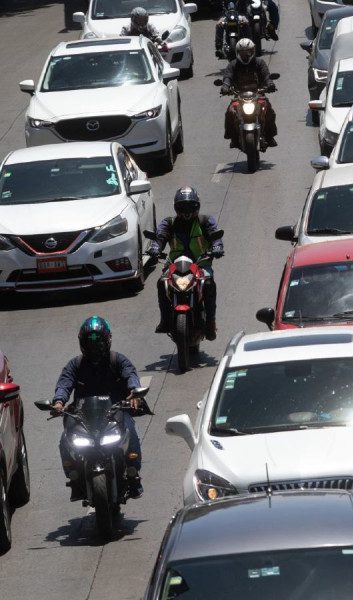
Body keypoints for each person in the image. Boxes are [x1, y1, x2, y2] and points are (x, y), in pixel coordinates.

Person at [51, 316, 144, 500]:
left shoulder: (118, 360)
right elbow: (64, 383)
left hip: (115, 412)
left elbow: (130, 375)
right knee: (65, 439)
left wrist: (134, 392)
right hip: (82, 416)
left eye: (99, 342)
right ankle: (74, 478)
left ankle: (133, 474)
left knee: (130, 430)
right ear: (82, 343)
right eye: (90, 342)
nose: (95, 347)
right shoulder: (75, 365)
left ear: (107, 340)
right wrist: (59, 402)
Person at [148, 187, 224, 340]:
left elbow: (215, 235)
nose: (187, 211)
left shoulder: (206, 221)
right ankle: (165, 319)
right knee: (161, 283)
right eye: (183, 207)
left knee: (209, 284)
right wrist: (155, 248)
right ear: (177, 208)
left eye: (191, 206)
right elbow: (160, 237)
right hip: (174, 264)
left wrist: (217, 246)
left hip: (201, 262)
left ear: (197, 206)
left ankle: (210, 322)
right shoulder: (169, 223)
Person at [221, 38, 278, 150]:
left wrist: (270, 84)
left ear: (253, 51)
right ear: (237, 53)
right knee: (230, 113)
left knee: (269, 111)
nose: (245, 55)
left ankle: (270, 136)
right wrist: (225, 86)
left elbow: (266, 76)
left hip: (258, 95)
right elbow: (228, 77)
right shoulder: (233, 65)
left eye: (248, 52)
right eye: (242, 52)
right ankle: (232, 137)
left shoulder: (259, 63)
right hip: (239, 96)